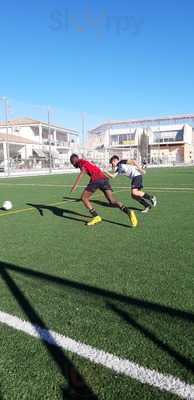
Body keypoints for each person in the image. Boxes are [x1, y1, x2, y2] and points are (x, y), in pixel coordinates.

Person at [70, 154, 138, 227]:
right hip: (104, 178)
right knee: (112, 201)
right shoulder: (85, 161)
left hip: (96, 180)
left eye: (72, 163)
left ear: (74, 161)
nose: (73, 165)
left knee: (84, 198)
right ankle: (129, 212)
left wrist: (75, 186)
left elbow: (82, 172)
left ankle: (96, 217)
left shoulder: (80, 162)